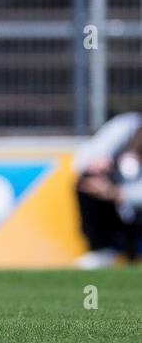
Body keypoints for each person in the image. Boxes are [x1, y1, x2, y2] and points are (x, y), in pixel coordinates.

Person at [71, 111, 142, 268]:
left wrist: (116, 193)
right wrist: (97, 164)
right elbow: (79, 162)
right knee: (87, 181)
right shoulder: (124, 126)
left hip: (131, 205)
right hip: (117, 202)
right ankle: (101, 249)